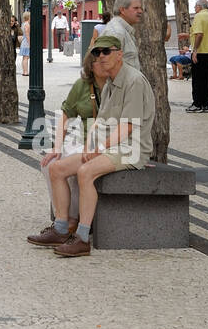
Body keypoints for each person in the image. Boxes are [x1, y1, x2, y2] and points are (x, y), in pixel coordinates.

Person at [34, 34, 156, 257]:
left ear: (119, 54)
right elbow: (99, 122)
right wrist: (91, 145)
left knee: (85, 172)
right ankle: (61, 229)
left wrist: (97, 149)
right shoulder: (111, 82)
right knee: (56, 168)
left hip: (131, 148)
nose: (101, 56)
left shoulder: (133, 81)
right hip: (109, 146)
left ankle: (81, 238)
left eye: (106, 51)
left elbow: (128, 127)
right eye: (97, 53)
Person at [28, 51, 100, 244]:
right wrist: (57, 146)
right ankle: (64, 217)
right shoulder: (82, 86)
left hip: (101, 143)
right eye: (96, 61)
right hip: (81, 139)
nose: (101, 64)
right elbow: (66, 115)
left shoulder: (115, 87)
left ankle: (72, 221)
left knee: (76, 165)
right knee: (49, 163)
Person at [187, 0, 208, 114]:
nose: (194, 9)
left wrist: (195, 51)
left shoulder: (198, 17)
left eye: (195, 7)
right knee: (207, 79)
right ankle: (206, 104)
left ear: (199, 7)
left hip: (201, 52)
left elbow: (200, 34)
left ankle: (197, 104)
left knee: (197, 79)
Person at [104, 0, 144, 73]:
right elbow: (108, 67)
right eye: (136, 8)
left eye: (140, 8)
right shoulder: (116, 32)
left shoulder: (124, 31)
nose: (140, 11)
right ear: (122, 10)